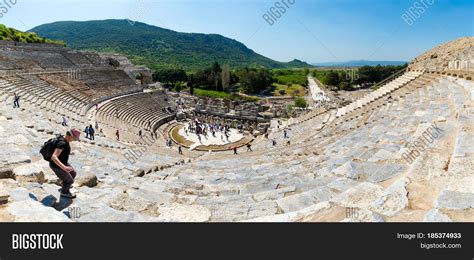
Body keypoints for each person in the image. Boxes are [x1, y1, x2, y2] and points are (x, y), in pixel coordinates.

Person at [49, 128, 81, 198]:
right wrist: (64, 167)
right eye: (74, 139)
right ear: (70, 136)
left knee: (73, 173)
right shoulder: (62, 143)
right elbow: (54, 157)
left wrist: (69, 153)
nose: (74, 140)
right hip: (56, 166)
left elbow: (61, 151)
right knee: (70, 180)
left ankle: (64, 186)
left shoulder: (64, 139)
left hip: (63, 162)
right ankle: (64, 192)